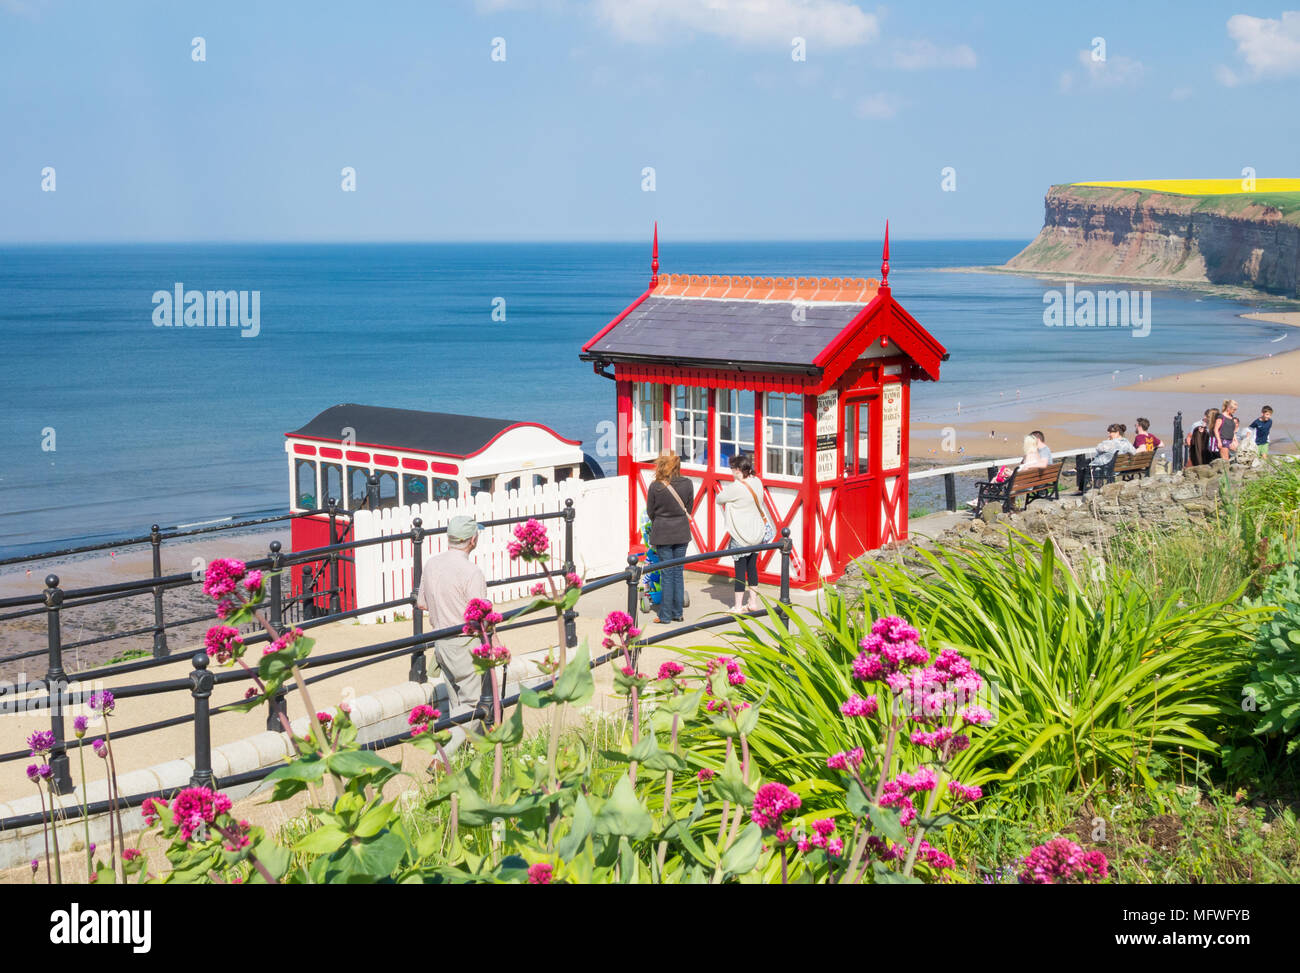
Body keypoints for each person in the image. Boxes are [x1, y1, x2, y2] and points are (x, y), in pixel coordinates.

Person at [415, 515, 489, 712]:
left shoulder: (432, 564)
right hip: (464, 642)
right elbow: (481, 615)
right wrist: (494, 642)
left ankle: (459, 741)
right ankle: (449, 744)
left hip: (441, 640)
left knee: (455, 701)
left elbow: (421, 603)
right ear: (473, 540)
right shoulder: (472, 572)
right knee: (474, 704)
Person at [645, 449, 694, 624]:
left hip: (663, 532)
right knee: (678, 573)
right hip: (681, 531)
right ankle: (677, 612)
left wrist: (660, 520)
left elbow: (651, 512)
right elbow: (689, 507)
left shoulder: (655, 487)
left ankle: (665, 615)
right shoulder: (688, 483)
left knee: (666, 573)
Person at [716, 453, 769, 613]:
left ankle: (738, 606)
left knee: (739, 571)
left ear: (738, 470)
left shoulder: (736, 487)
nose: (731, 471)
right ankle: (752, 602)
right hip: (757, 532)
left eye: (732, 468)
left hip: (741, 534)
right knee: (752, 567)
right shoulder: (757, 482)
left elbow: (719, 498)